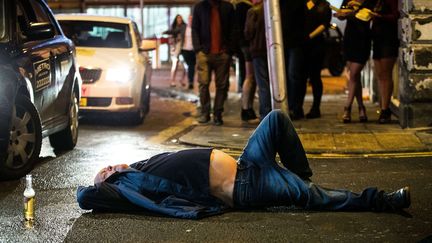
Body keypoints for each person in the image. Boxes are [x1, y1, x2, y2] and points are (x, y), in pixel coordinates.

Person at [77, 110, 411, 219]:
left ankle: (298, 177)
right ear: (109, 183)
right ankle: (383, 200)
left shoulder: (140, 167)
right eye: (104, 173)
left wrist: (121, 168)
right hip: (246, 187)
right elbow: (86, 198)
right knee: (317, 198)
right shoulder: (132, 187)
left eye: (107, 167)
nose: (109, 167)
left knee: (276, 118)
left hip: (246, 163)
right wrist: (100, 181)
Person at [192, 0, 235, 126]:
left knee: (222, 85)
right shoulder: (199, 7)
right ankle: (205, 113)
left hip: (223, 53)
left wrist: (229, 50)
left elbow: (234, 29)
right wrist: (198, 50)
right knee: (203, 84)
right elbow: (194, 29)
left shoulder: (228, 7)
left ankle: (217, 114)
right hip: (204, 53)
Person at [335, 0, 376, 123]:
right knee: (355, 76)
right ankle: (361, 108)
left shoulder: (369, 2)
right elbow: (342, 13)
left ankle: (347, 107)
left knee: (353, 74)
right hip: (349, 39)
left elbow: (365, 16)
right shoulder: (348, 0)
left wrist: (349, 13)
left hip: (363, 40)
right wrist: (341, 15)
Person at [371, 0, 399, 124]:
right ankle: (384, 107)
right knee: (380, 75)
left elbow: (396, 15)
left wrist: (380, 16)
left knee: (386, 74)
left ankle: (385, 109)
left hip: (388, 38)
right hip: (377, 38)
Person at [280, 0, 308, 120]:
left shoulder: (298, 3)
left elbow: (303, 22)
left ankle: (295, 107)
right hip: (283, 43)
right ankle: (288, 106)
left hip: (295, 43)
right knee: (286, 75)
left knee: (294, 75)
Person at [304, 0, 332, 119]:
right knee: (300, 77)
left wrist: (309, 36)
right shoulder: (304, 3)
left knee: (315, 76)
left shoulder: (324, 6)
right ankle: (296, 107)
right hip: (302, 44)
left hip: (316, 45)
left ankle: (316, 107)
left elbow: (324, 24)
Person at [244, 0, 272, 120]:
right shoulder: (272, 9)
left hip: (258, 50)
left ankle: (265, 114)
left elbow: (248, 33)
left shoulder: (253, 11)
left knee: (263, 84)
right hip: (272, 50)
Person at [232, 0, 258, 122]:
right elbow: (244, 31)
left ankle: (248, 109)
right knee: (250, 77)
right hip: (248, 46)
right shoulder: (244, 6)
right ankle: (246, 109)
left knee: (250, 78)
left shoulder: (239, 6)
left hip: (245, 46)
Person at [163, 15, 187, 88]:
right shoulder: (174, 26)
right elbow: (172, 35)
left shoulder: (184, 27)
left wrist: (166, 32)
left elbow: (175, 32)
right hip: (175, 48)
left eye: (180, 18)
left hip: (183, 47)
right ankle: (172, 80)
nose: (179, 20)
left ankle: (182, 80)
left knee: (185, 66)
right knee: (175, 65)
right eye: (178, 18)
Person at [181, 15, 197, 90]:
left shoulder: (195, 28)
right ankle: (188, 79)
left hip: (193, 50)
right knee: (188, 66)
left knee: (191, 66)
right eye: (189, 19)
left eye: (192, 19)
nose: (190, 20)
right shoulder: (184, 28)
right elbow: (176, 32)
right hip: (185, 50)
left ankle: (190, 81)